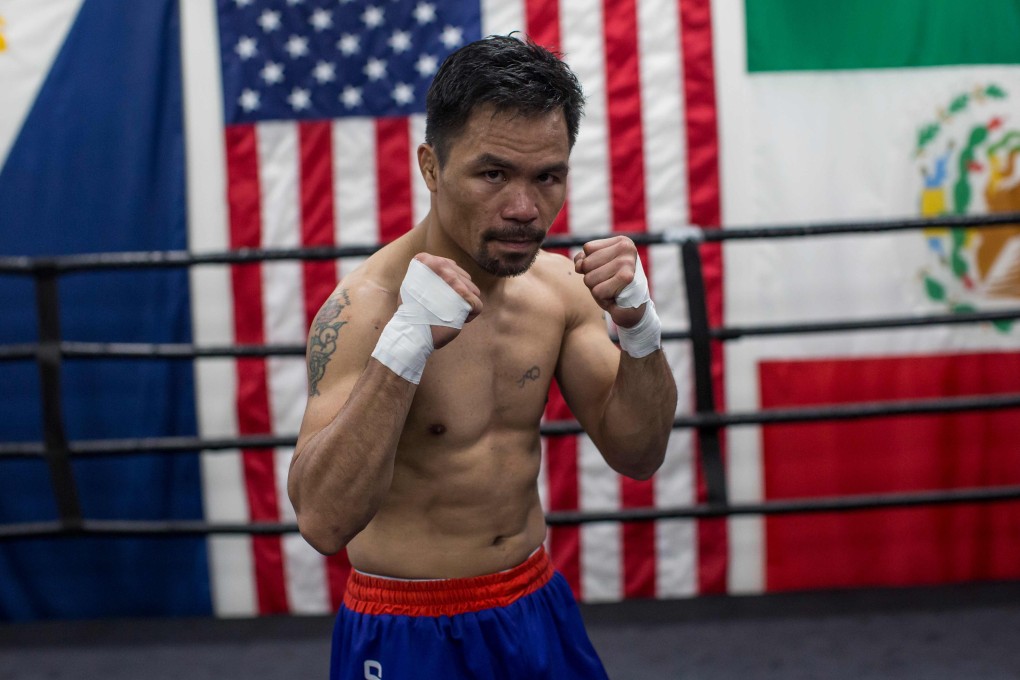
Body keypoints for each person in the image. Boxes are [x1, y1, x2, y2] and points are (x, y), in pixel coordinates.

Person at [288, 34, 678, 680]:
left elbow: (639, 455)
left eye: (547, 177)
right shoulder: (365, 310)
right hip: (408, 629)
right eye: (493, 174)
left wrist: (639, 329)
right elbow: (323, 522)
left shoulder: (558, 291)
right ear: (432, 168)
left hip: (533, 602)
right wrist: (405, 345)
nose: (525, 209)